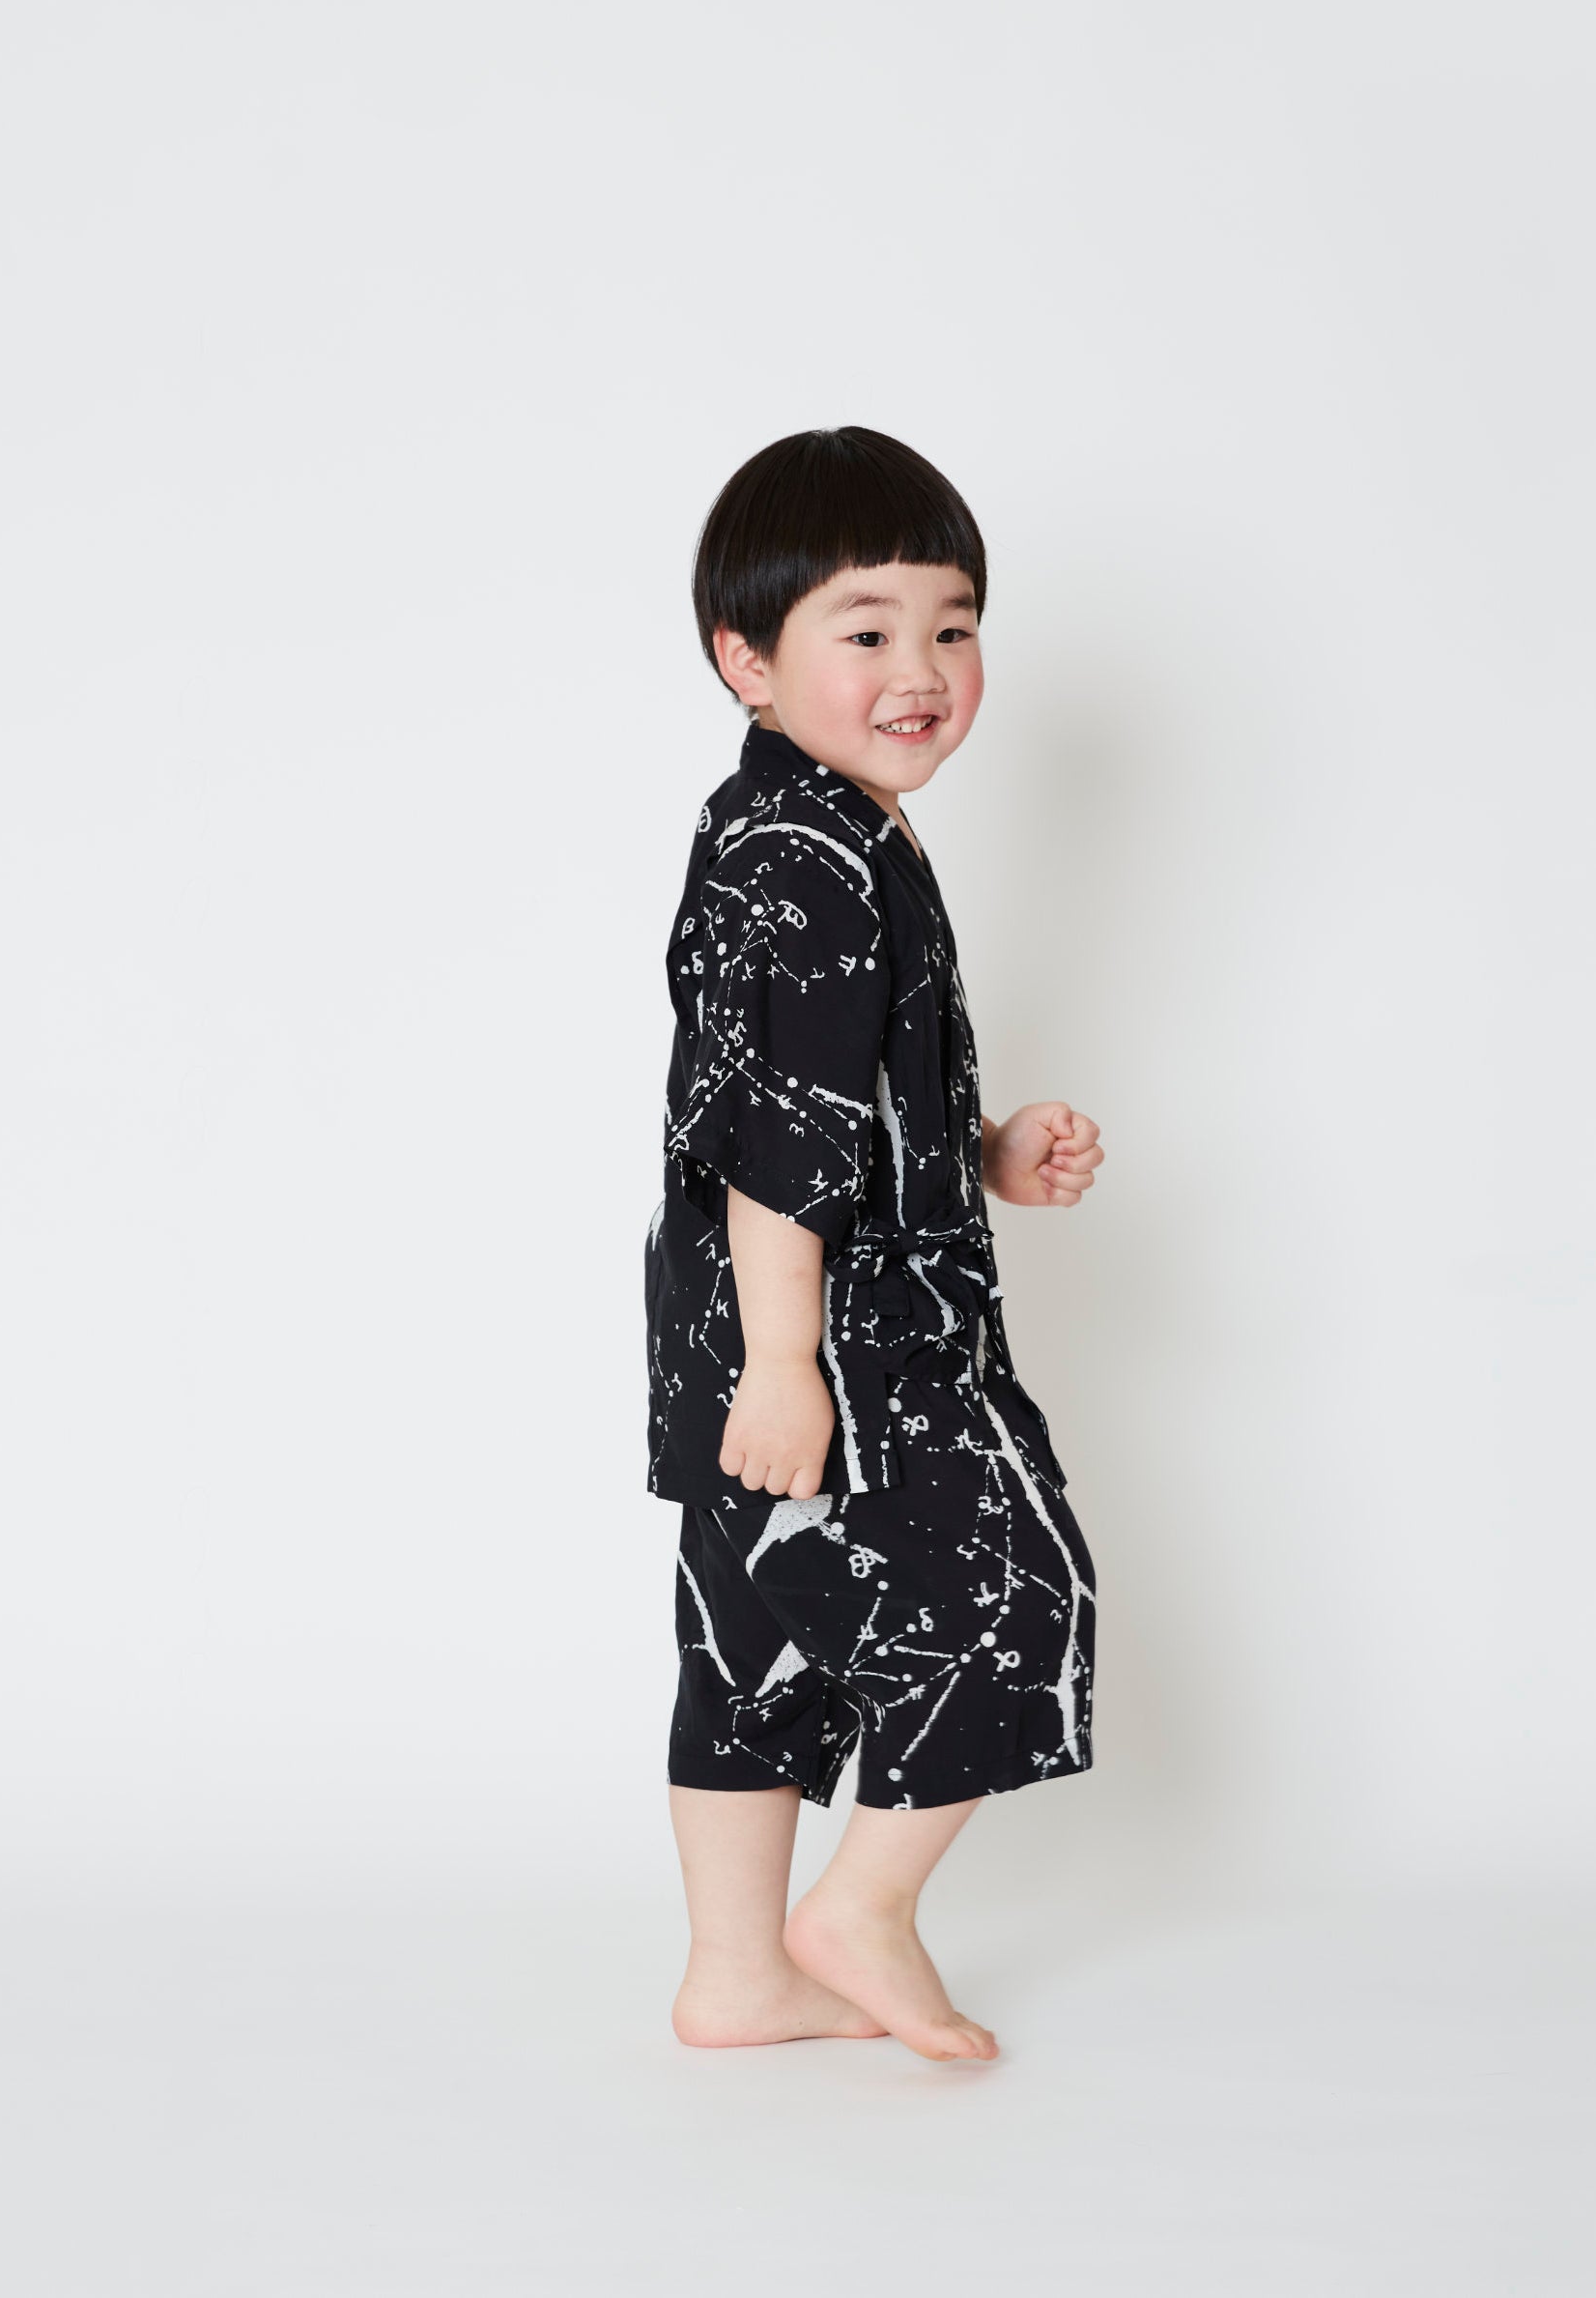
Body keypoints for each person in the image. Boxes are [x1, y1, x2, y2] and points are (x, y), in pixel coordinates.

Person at [643, 426, 1103, 2062]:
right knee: (1019, 1601)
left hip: (754, 1316)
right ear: (747, 661)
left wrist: (979, 1156)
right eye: (867, 629)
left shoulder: (810, 824)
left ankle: (737, 1976)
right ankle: (857, 1912)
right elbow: (778, 1139)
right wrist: (787, 1365)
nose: (922, 669)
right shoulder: (811, 858)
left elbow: (823, 1102)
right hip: (837, 1337)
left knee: (755, 1638)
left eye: (953, 626)